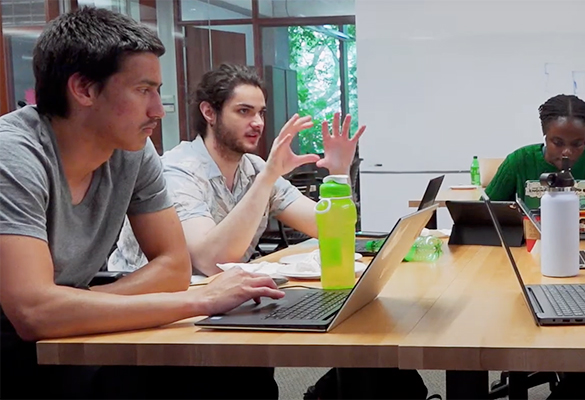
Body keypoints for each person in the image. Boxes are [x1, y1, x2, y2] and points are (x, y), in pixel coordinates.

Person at [0, 8, 284, 399]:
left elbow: (173, 268)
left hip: (65, 330)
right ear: (83, 89)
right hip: (11, 348)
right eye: (142, 90)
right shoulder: (13, 155)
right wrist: (199, 300)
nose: (158, 109)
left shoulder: (132, 150)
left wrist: (72, 305)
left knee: (238, 370)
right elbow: (31, 314)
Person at [109, 63, 364, 276]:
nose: (257, 123)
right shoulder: (178, 171)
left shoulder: (254, 168)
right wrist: (267, 178)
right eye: (244, 111)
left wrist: (339, 173)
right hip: (149, 307)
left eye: (261, 113)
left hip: (214, 300)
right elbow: (210, 263)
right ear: (209, 112)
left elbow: (329, 229)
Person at [483, 94, 585, 202]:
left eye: (577, 144)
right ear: (544, 133)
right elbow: (483, 212)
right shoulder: (519, 160)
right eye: (558, 143)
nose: (567, 152)